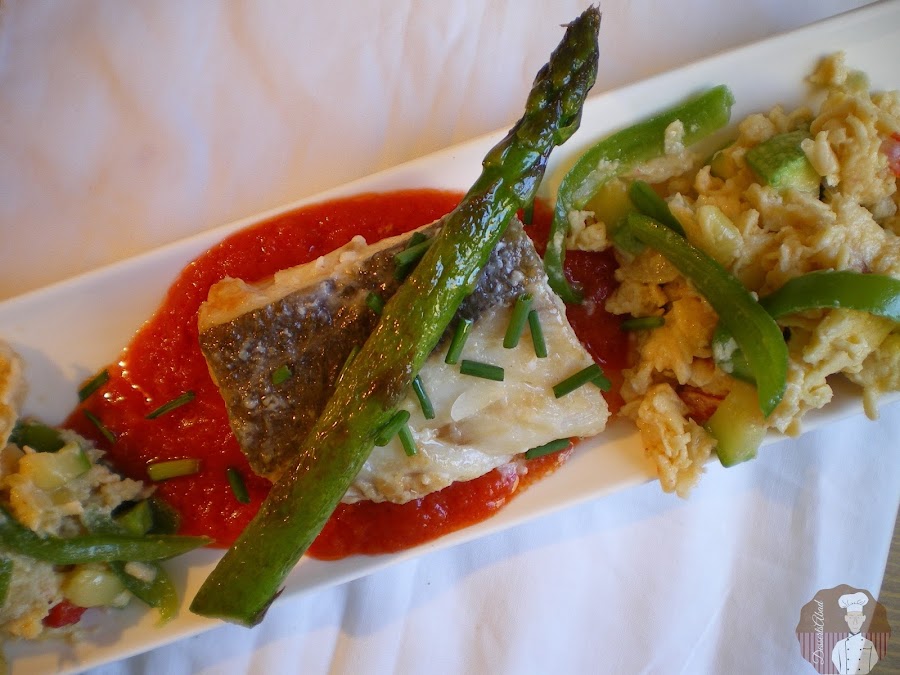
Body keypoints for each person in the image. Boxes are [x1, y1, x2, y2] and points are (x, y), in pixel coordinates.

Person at [832, 592, 879, 674]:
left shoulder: (869, 645)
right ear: (846, 618)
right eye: (851, 617)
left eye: (858, 617)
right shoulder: (839, 645)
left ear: (863, 618)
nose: (855, 621)